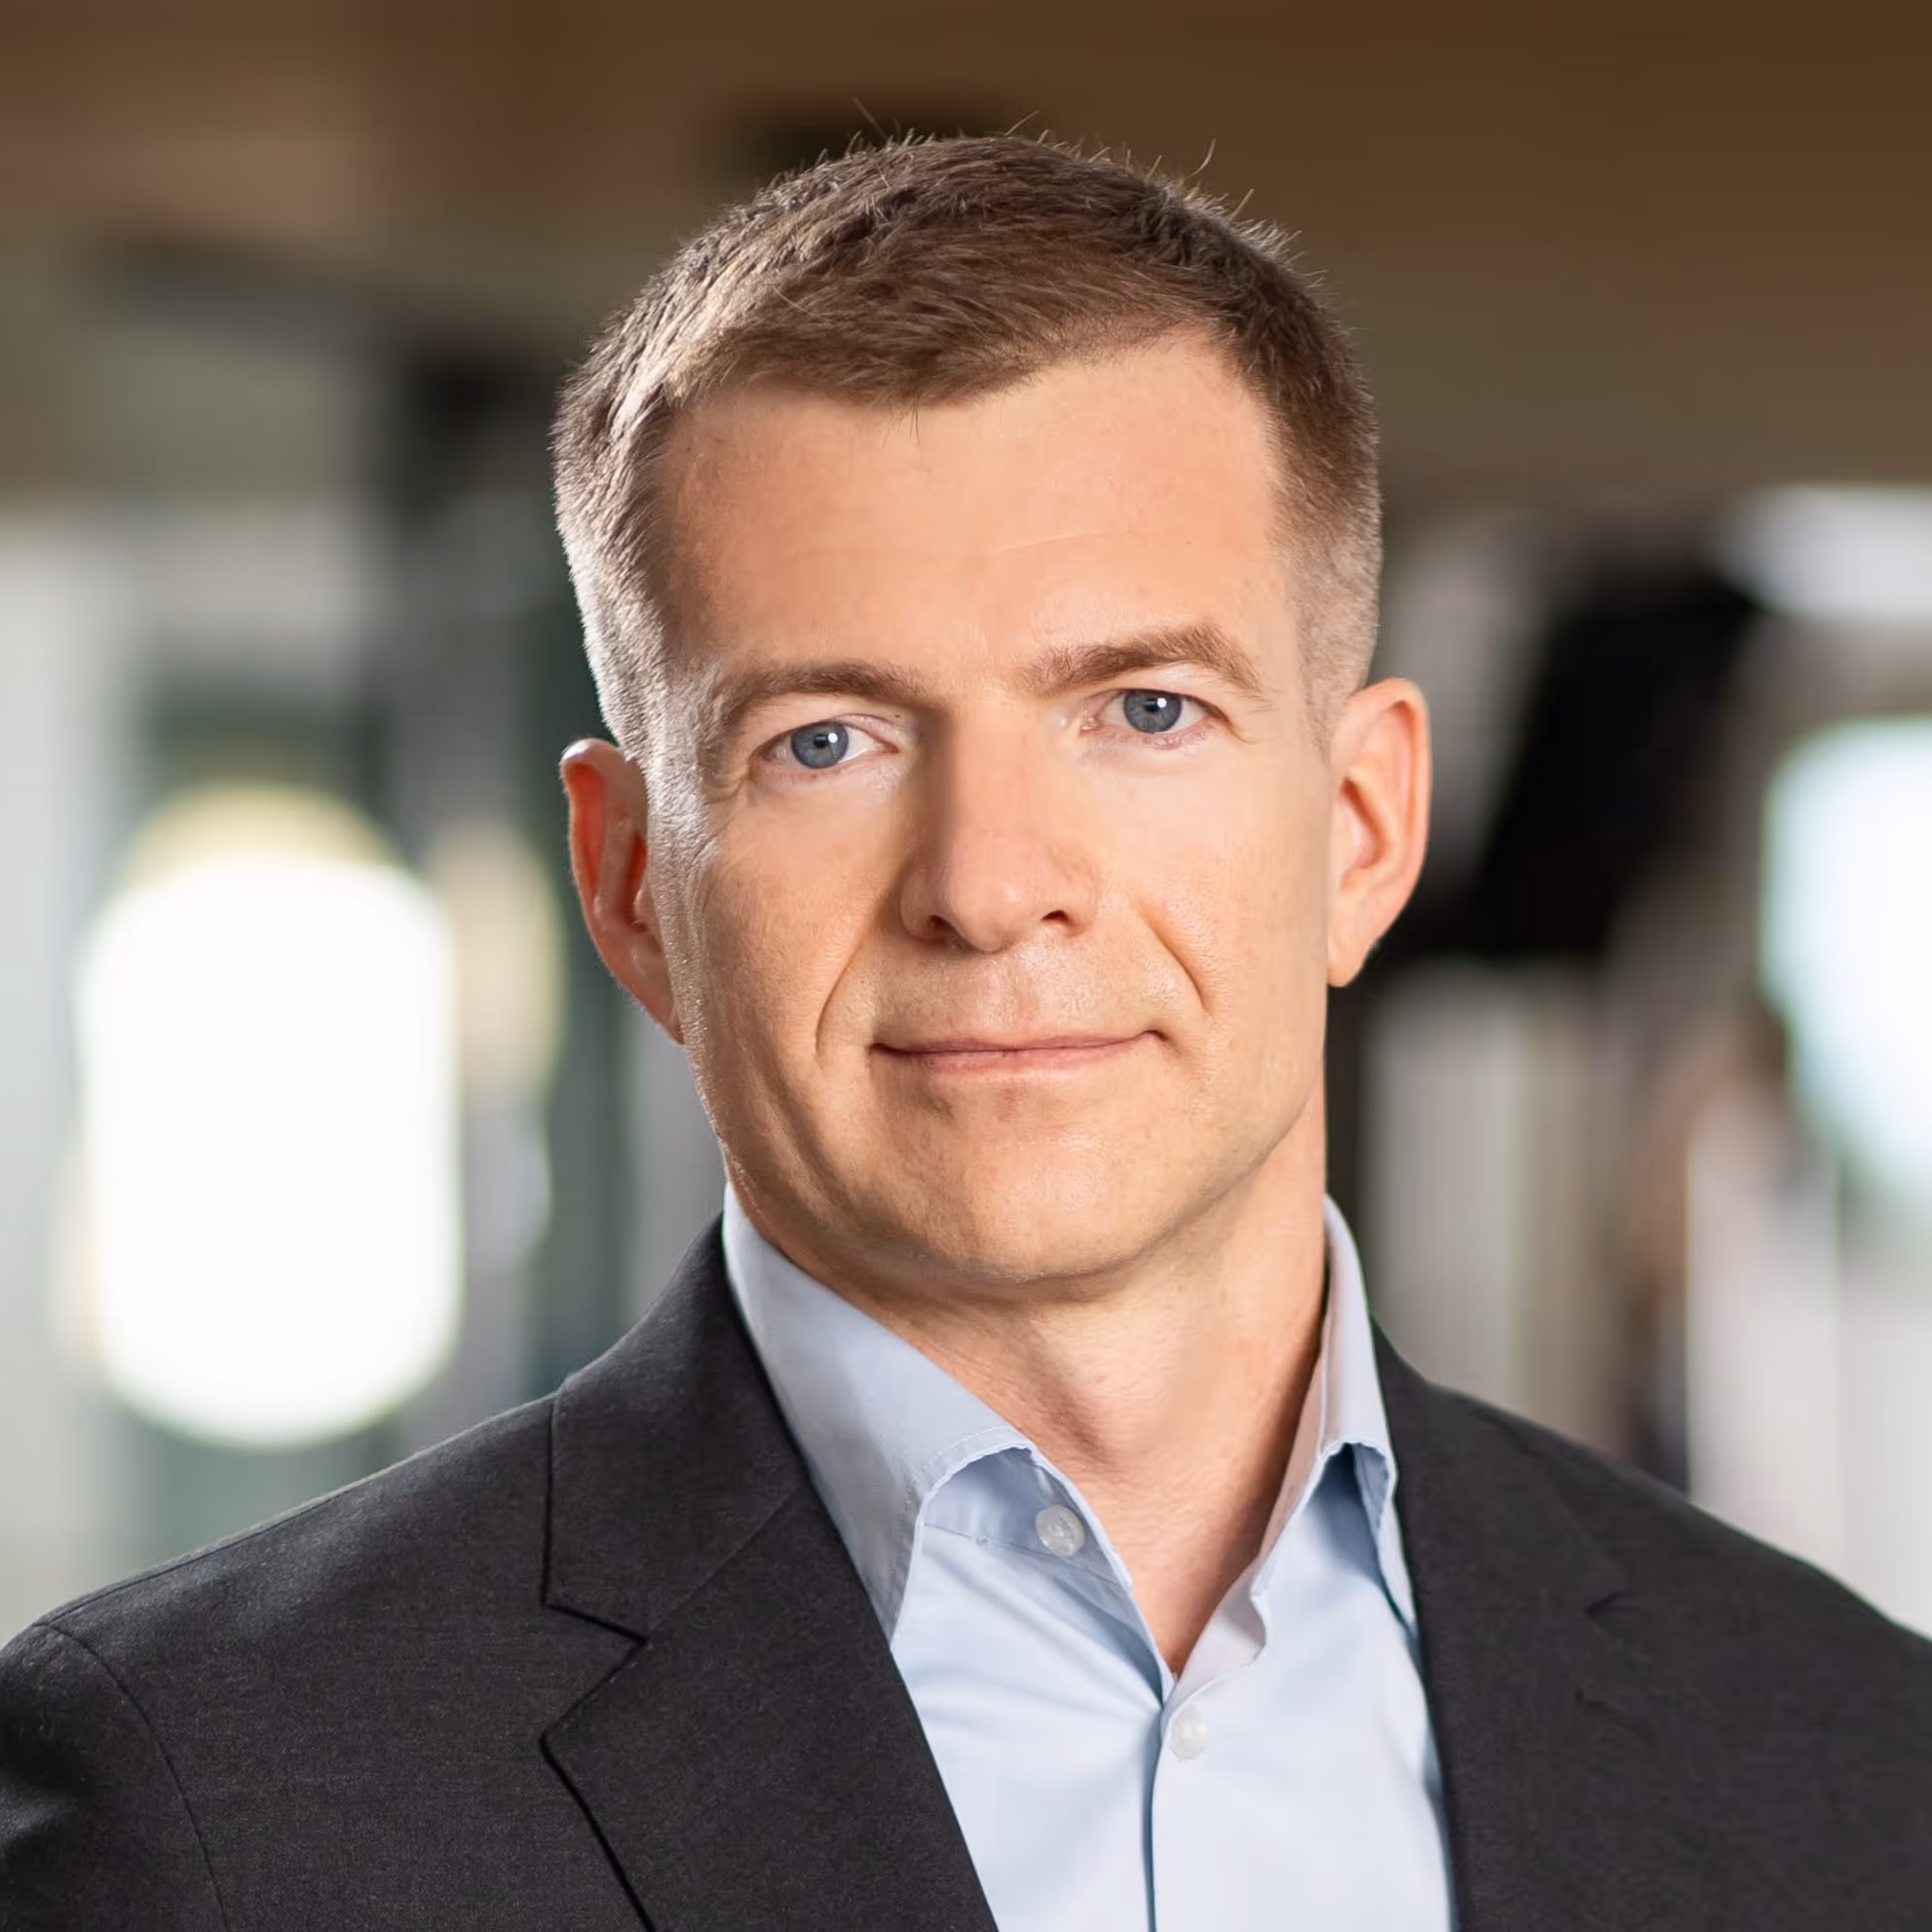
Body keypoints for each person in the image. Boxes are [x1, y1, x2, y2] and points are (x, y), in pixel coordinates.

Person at [2, 134, 1927, 1932]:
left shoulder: (1849, 1765)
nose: (993, 884)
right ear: (627, 885)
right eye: (823, 742)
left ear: (1360, 828)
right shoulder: (212, 1807)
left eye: (1143, 710)